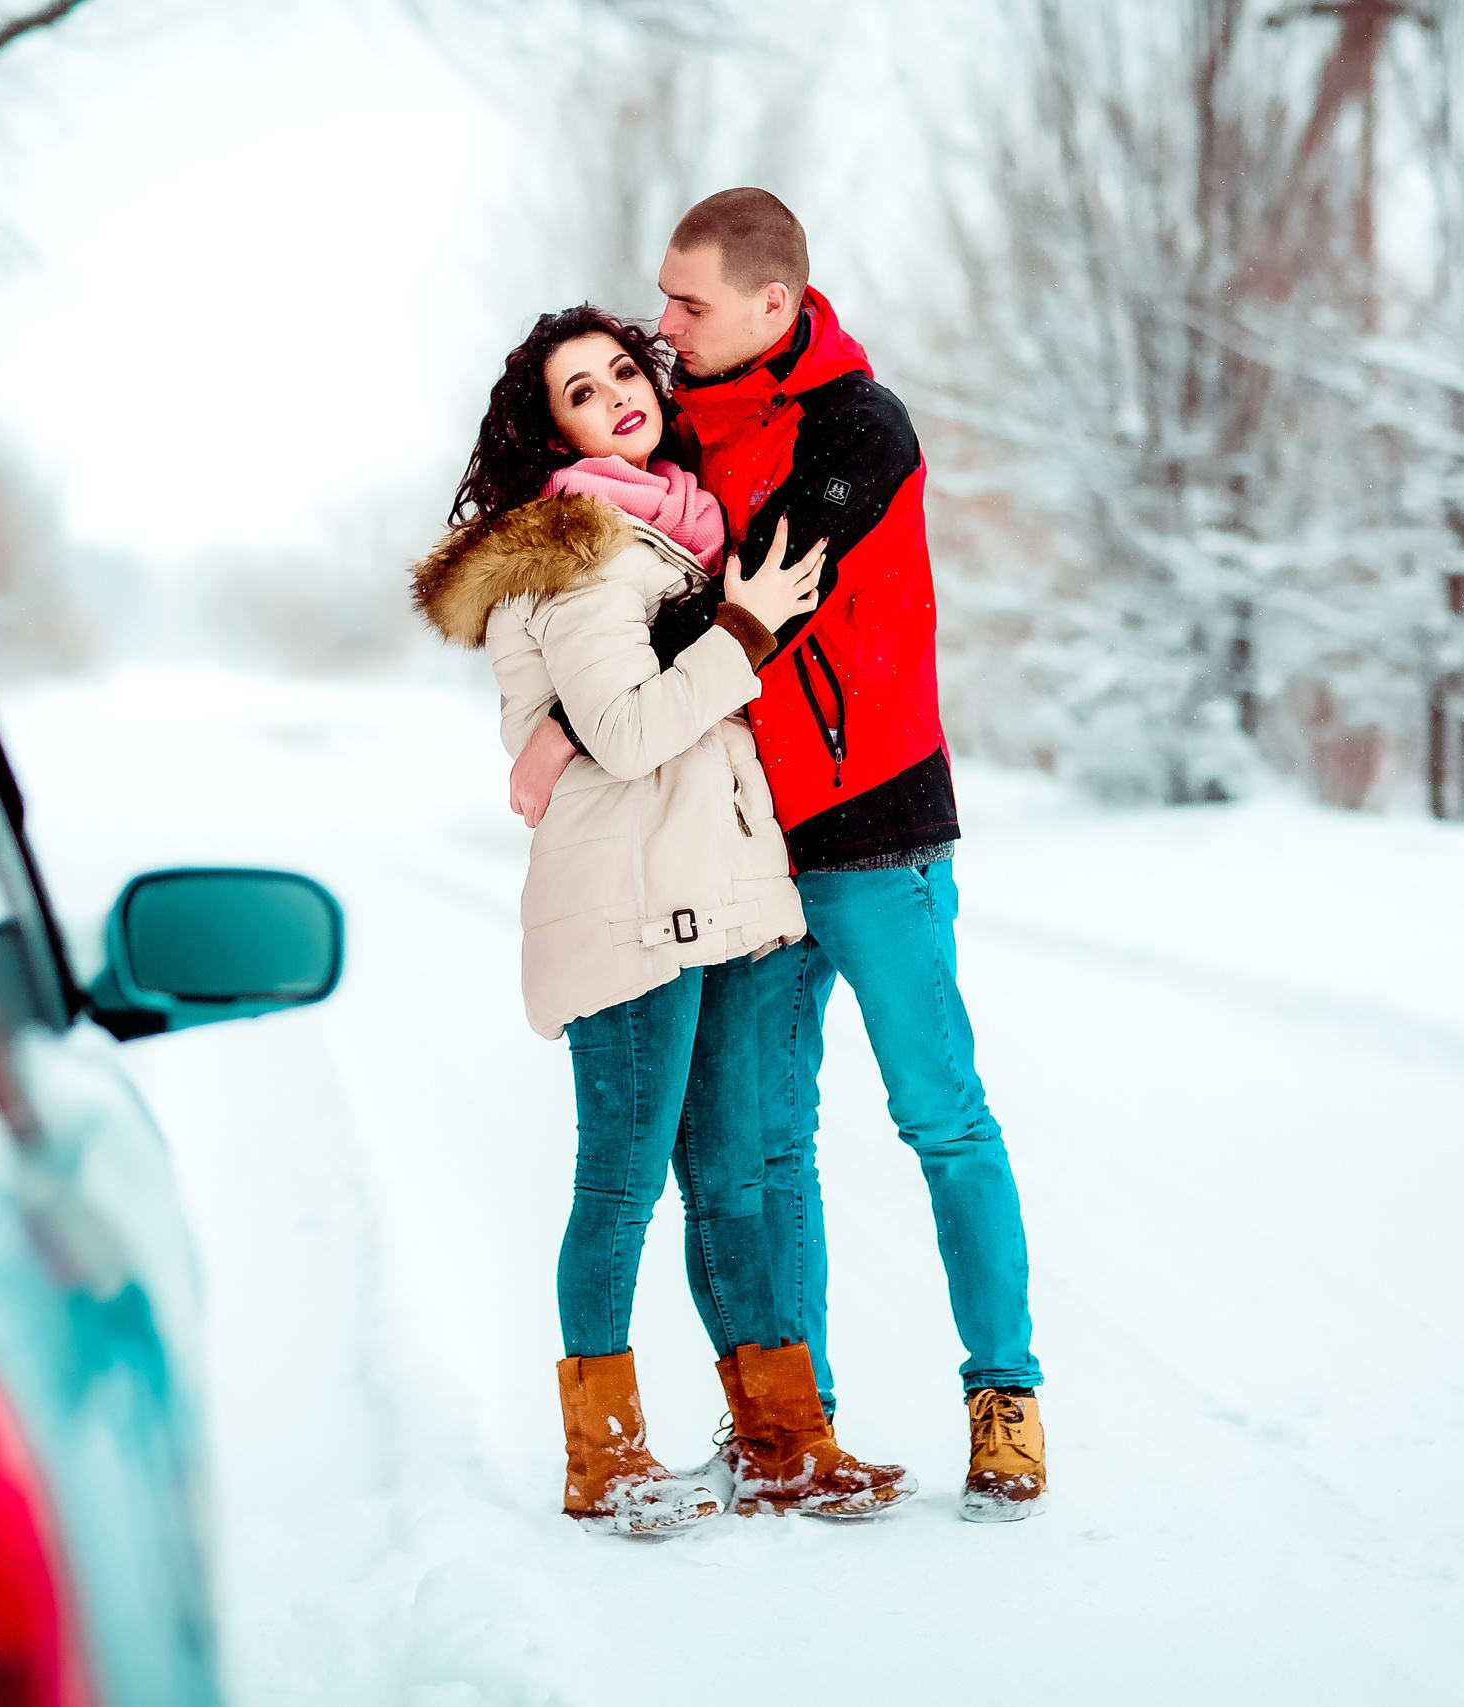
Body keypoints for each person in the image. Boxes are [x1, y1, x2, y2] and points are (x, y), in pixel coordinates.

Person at [509, 193, 1049, 1522]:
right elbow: (619, 599)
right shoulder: (682, 425)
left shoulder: (859, 424)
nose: (664, 328)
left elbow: (753, 585)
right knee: (760, 1148)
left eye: (685, 305)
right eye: (661, 306)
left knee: (941, 1114)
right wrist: (549, 710)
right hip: (746, 847)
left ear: (774, 304)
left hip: (876, 827)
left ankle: (1007, 1396)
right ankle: (790, 1433)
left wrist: (575, 723)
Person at [414, 304, 907, 1535]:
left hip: (719, 894)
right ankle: (604, 1457)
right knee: (623, 1185)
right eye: (582, 392)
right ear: (553, 430)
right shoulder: (577, 548)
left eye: (625, 372)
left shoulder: (672, 529)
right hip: (631, 903)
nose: (617, 397)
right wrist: (744, 624)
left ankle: (783, 1444)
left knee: (732, 1176)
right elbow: (630, 730)